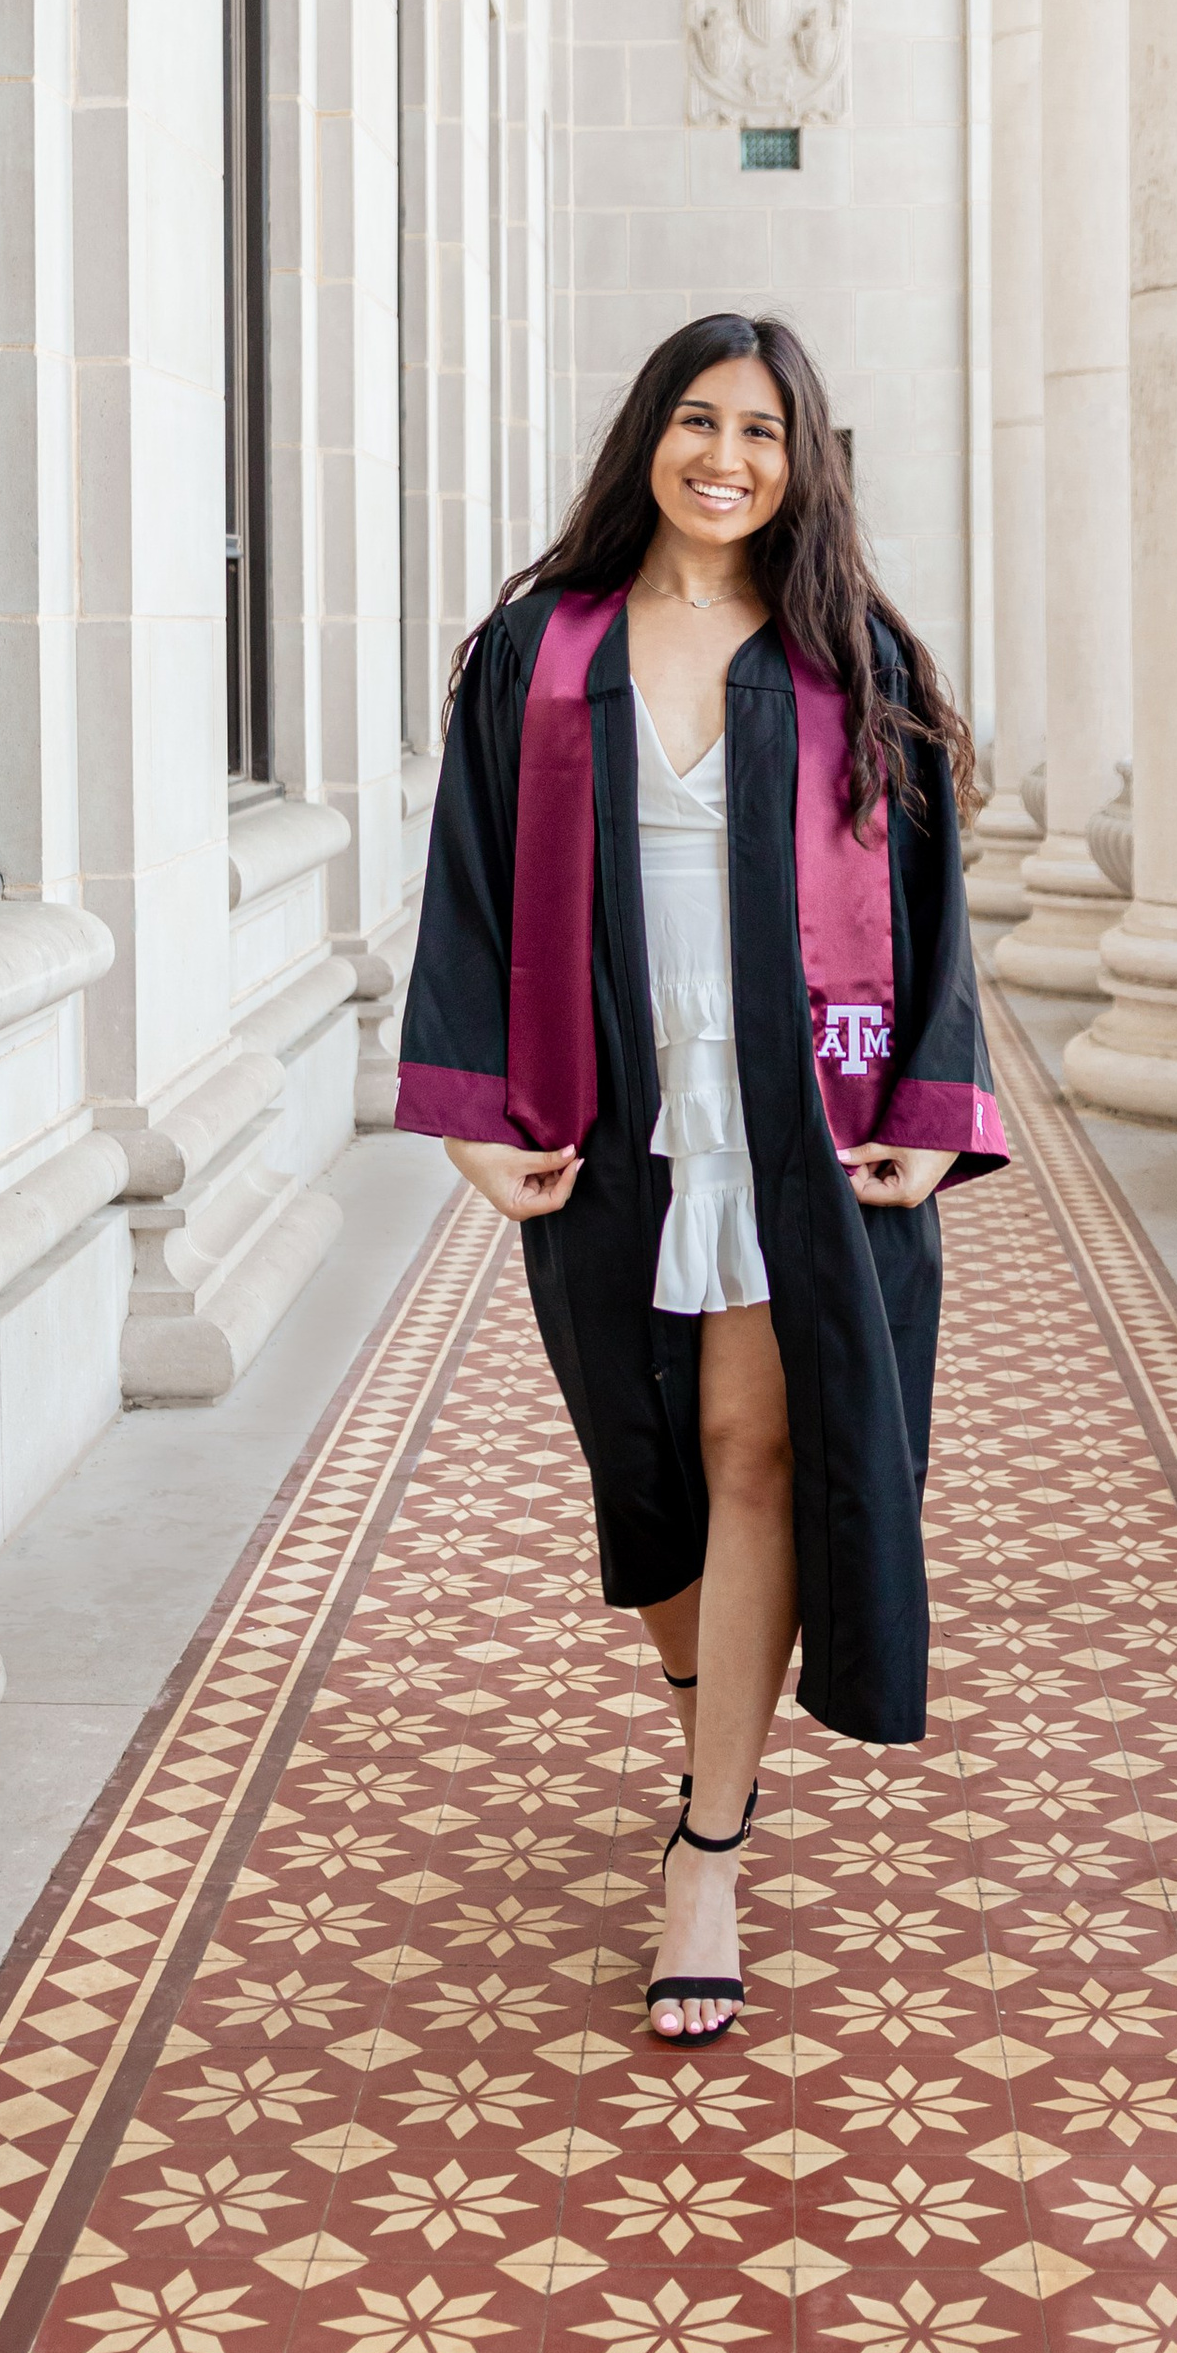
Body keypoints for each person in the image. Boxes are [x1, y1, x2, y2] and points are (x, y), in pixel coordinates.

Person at [395, 313, 1006, 2043]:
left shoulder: (846, 656)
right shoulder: (544, 649)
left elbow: (939, 906)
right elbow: (468, 881)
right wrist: (466, 1112)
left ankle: (707, 1848)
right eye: (696, 418)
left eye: (761, 429)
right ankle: (704, 1694)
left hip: (797, 1116)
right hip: (609, 1106)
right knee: (642, 1466)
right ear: (647, 439)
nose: (726, 455)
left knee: (755, 1447)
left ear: (803, 462)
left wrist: (932, 1103)